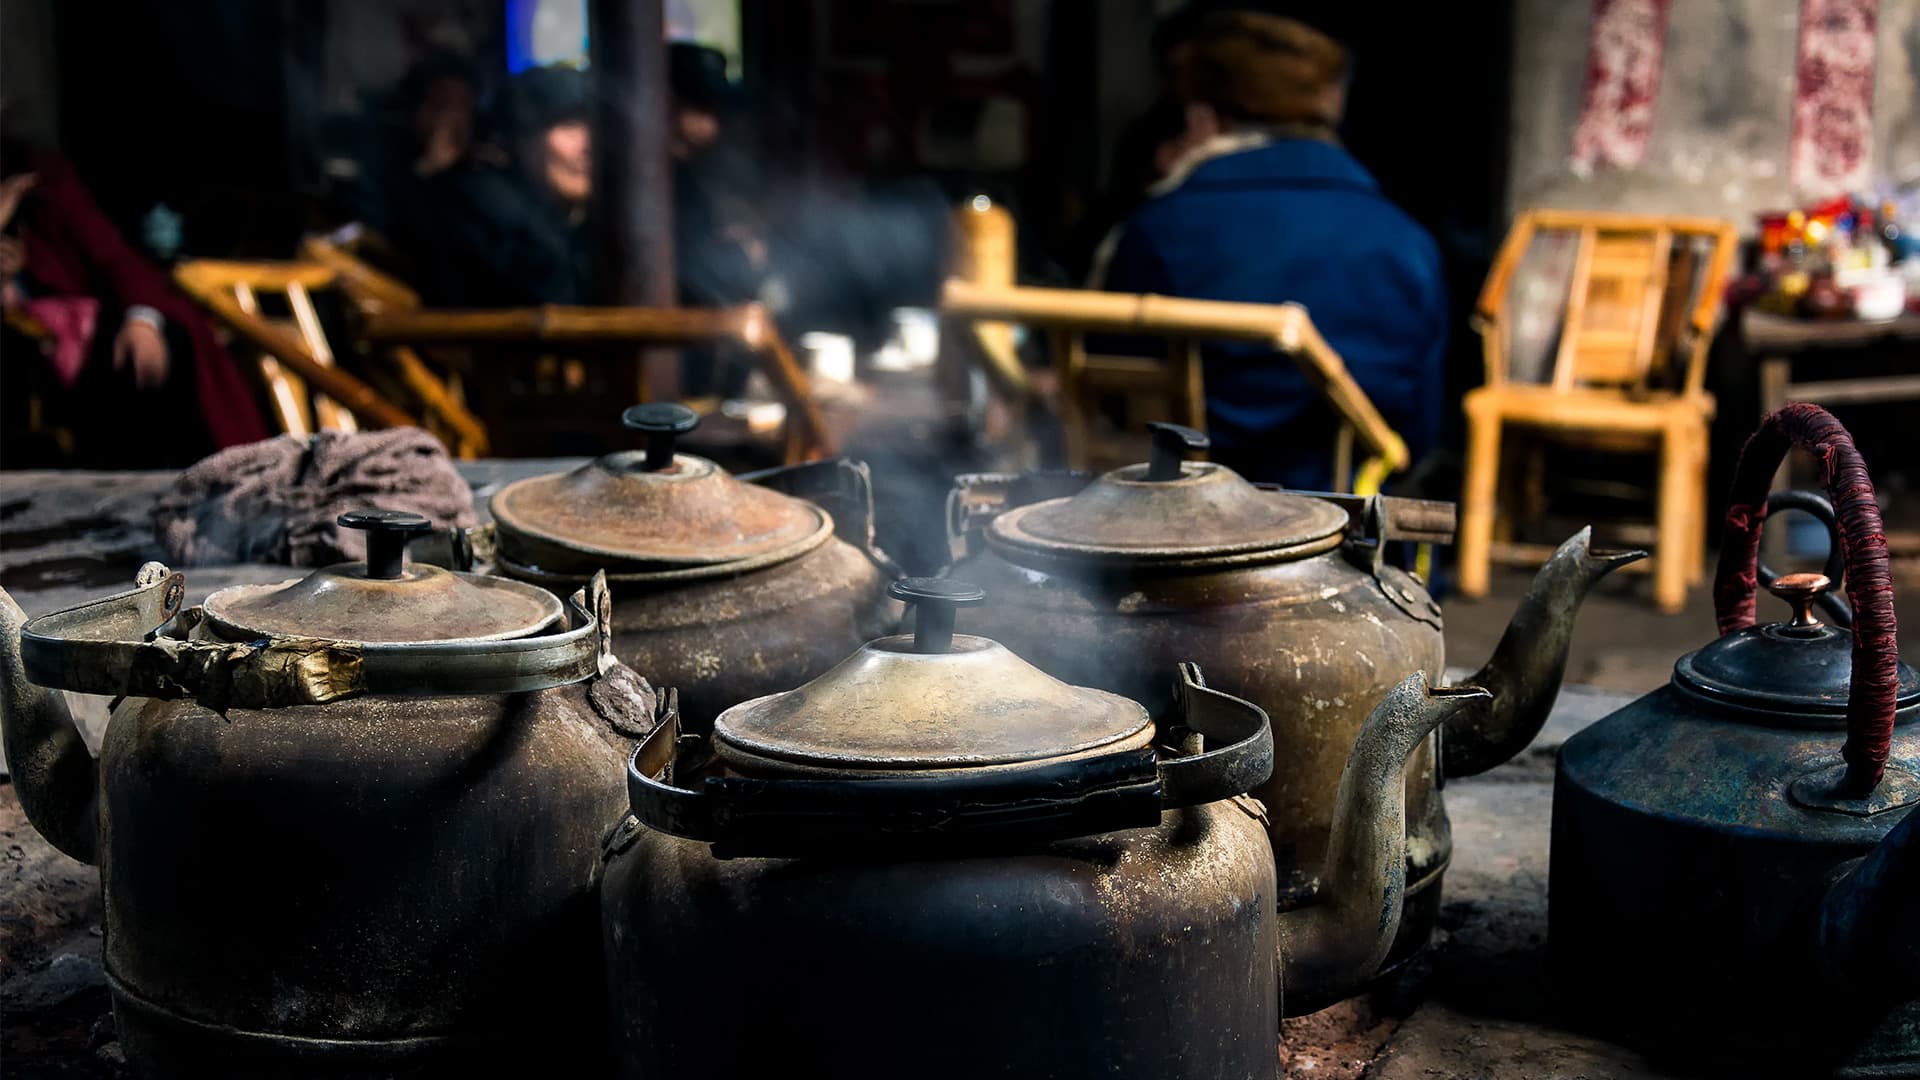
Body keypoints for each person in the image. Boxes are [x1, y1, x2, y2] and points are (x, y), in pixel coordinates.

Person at [1094, 10, 1446, 491]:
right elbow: (1420, 433)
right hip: (1352, 522)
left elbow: (1111, 402)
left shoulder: (1158, 230)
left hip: (1179, 521)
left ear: (1204, 115)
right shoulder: (1409, 243)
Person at [0, 137, 268, 467]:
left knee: (155, 345)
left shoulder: (36, 179)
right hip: (24, 359)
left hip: (81, 341)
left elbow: (113, 258)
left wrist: (142, 319)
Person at [421, 65, 593, 307]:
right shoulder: (484, 206)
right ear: (522, 139)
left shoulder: (581, 215)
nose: (589, 146)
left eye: (596, 127)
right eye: (569, 126)